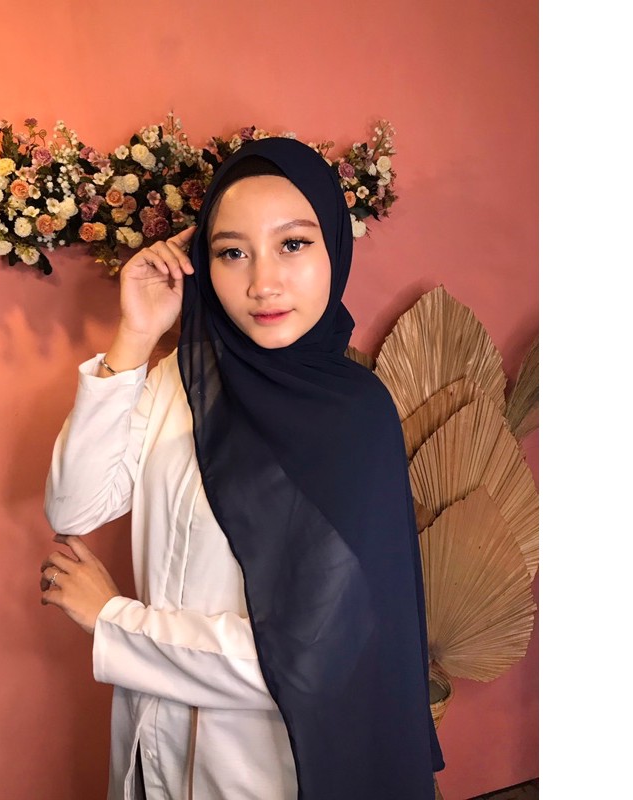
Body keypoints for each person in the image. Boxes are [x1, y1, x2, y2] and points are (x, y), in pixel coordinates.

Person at [40, 137, 445, 799]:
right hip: (148, 751)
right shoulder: (182, 382)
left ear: (334, 251)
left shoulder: (354, 421)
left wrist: (113, 620)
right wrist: (135, 337)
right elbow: (74, 508)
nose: (262, 283)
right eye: (232, 252)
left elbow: (310, 655)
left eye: (293, 244)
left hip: (263, 771)